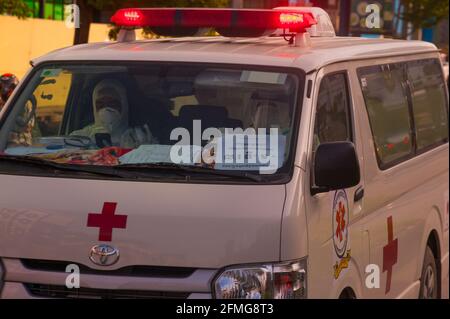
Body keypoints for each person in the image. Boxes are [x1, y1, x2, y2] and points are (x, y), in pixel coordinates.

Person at [71, 79, 158, 148]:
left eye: (112, 104)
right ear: (94, 107)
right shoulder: (80, 138)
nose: (106, 109)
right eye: (100, 104)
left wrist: (143, 150)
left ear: (123, 105)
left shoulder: (140, 137)